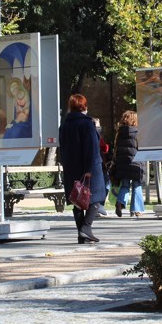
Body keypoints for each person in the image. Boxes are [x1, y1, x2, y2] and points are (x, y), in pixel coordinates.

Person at [59, 94, 106, 243]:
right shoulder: (87, 123)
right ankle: (85, 228)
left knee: (77, 199)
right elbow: (91, 147)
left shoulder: (64, 125)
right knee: (97, 197)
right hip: (89, 166)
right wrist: (89, 168)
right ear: (84, 106)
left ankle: (82, 235)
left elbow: (63, 148)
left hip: (71, 167)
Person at [113, 110, 146, 217]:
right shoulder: (138, 133)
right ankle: (136, 210)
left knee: (125, 185)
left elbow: (116, 149)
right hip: (136, 162)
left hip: (122, 163)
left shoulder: (119, 133)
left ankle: (120, 202)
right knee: (137, 185)